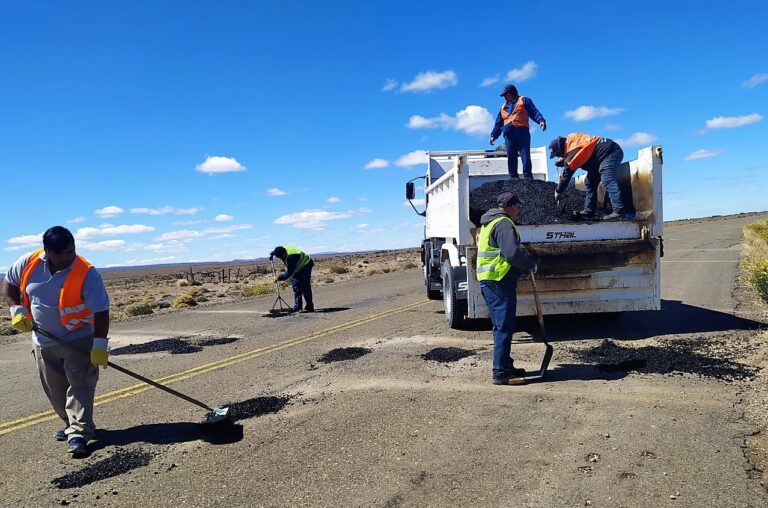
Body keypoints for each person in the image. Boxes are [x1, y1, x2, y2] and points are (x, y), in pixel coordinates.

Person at [2, 226, 110, 458]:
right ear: (47, 251)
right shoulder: (28, 262)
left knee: (81, 385)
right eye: (60, 254)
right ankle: (70, 423)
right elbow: (9, 284)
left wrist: (99, 344)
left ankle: (79, 433)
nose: (66, 259)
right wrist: (15, 308)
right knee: (55, 390)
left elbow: (101, 310)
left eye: (70, 252)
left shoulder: (86, 272)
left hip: (78, 339)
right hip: (43, 340)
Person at [476, 192, 537, 385]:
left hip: (490, 280)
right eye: (517, 207)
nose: (518, 211)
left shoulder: (489, 222)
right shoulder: (503, 223)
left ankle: (506, 365)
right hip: (499, 280)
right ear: (510, 206)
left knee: (501, 326)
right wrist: (529, 264)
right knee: (504, 326)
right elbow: (511, 254)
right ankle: (500, 372)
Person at [549, 133, 634, 221]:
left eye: (557, 154)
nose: (558, 156)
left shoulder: (571, 154)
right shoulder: (570, 142)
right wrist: (564, 160)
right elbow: (581, 151)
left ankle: (618, 211)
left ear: (560, 149)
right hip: (598, 159)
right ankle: (589, 211)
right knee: (589, 182)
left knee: (607, 178)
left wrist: (558, 190)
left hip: (611, 152)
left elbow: (567, 175)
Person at [489, 84, 547, 179]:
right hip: (509, 134)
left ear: (512, 93)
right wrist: (493, 136)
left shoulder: (524, 100)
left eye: (506, 94)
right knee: (511, 157)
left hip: (522, 133)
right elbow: (498, 123)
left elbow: (534, 112)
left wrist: (541, 121)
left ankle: (528, 177)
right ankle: (513, 178)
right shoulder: (503, 107)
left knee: (525, 155)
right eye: (504, 95)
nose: (505, 97)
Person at [270, 245, 315, 313]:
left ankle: (309, 307)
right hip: (297, 268)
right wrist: (271, 255)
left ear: (284, 253)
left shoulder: (291, 257)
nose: (281, 259)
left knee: (304, 286)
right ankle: (298, 306)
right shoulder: (280, 250)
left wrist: (278, 278)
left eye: (281, 257)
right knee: (296, 286)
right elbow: (275, 252)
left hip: (305, 264)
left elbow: (288, 273)